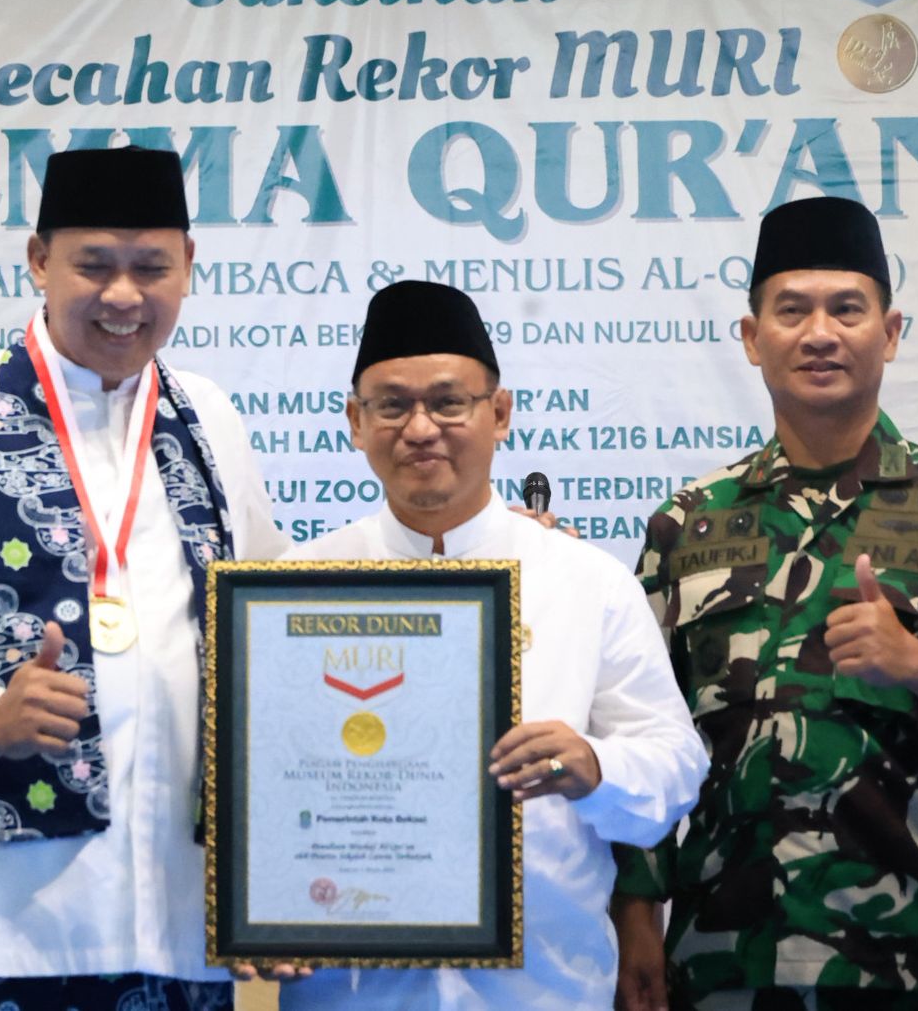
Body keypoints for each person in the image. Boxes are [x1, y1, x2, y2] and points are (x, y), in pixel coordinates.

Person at [0, 146, 286, 1010]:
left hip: (178, 926)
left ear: (190, 266)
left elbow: (273, 622)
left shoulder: (211, 420)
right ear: (39, 260)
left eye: (152, 267)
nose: (124, 295)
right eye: (94, 266)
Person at [274, 280, 707, 1010]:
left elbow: (674, 770)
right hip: (352, 994)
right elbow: (260, 782)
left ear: (499, 413)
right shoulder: (298, 589)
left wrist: (595, 765)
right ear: (355, 421)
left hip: (543, 990)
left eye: (449, 402)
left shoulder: (586, 582)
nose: (420, 428)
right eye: (391, 405)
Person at [612, 196, 918, 1009]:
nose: (820, 333)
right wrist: (634, 917)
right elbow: (640, 733)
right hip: (725, 958)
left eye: (847, 310)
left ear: (891, 332)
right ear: (751, 337)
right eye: (792, 310)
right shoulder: (687, 524)